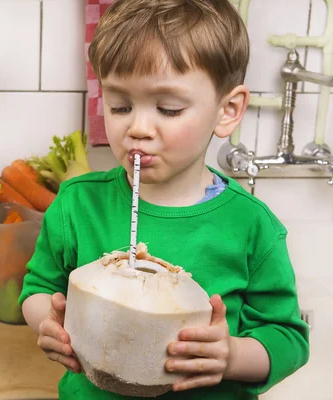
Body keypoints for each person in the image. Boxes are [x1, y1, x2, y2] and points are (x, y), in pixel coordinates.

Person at [17, 0, 310, 399]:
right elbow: (37, 288)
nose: (137, 128)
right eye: (120, 105)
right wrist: (48, 323)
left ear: (227, 110)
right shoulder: (77, 204)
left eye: (168, 109)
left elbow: (288, 339)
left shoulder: (252, 226)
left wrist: (231, 355)